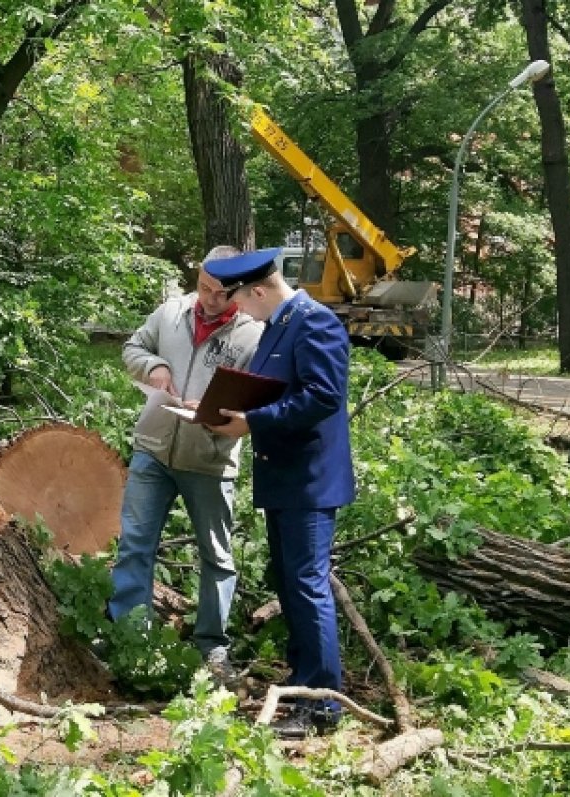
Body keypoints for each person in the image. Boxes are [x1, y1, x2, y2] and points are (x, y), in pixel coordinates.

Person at [204, 247, 355, 739]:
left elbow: (323, 396)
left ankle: (323, 706)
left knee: (308, 585)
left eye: (242, 302)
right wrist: (219, 405)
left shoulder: (315, 322)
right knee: (291, 583)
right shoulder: (279, 325)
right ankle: (302, 682)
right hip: (284, 476)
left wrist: (254, 422)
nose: (240, 312)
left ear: (260, 291)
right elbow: (272, 390)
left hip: (309, 479)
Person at [108, 245, 263, 685]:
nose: (210, 299)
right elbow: (133, 347)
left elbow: (257, 399)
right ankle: (130, 640)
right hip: (154, 448)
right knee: (136, 543)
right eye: (204, 288)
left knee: (216, 555)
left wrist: (213, 411)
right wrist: (153, 366)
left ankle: (211, 647)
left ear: (240, 290)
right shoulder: (171, 312)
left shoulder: (254, 334)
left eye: (220, 294)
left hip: (210, 459)